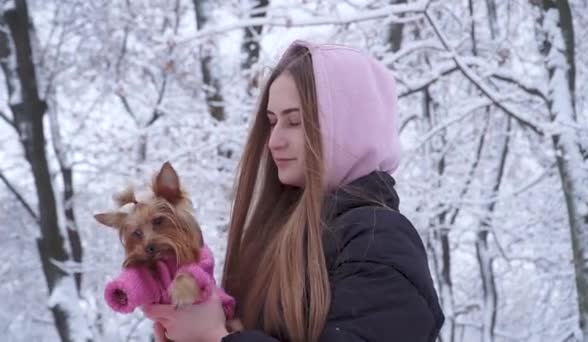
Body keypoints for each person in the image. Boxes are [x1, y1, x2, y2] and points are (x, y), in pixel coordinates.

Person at [142, 39, 445, 342]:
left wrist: (213, 336)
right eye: (272, 122)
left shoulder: (379, 239)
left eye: (295, 121)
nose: (274, 141)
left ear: (349, 126)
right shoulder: (280, 235)